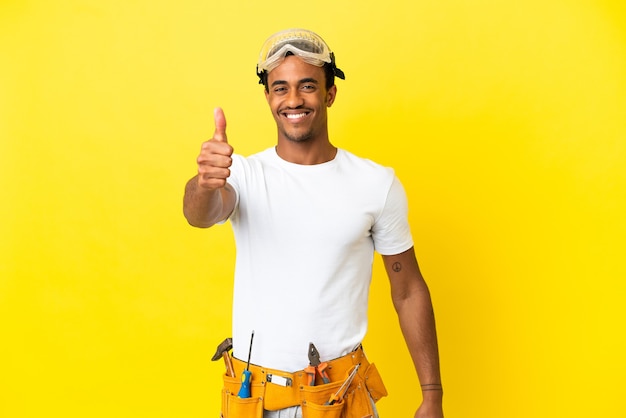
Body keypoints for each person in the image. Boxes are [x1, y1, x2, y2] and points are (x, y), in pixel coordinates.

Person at [183, 28, 444, 418]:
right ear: (269, 97)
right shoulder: (244, 175)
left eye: (307, 86)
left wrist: (432, 393)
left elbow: (407, 290)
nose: (293, 100)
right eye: (280, 88)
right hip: (254, 400)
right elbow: (199, 215)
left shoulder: (376, 184)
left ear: (330, 93)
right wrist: (205, 183)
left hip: (339, 399)